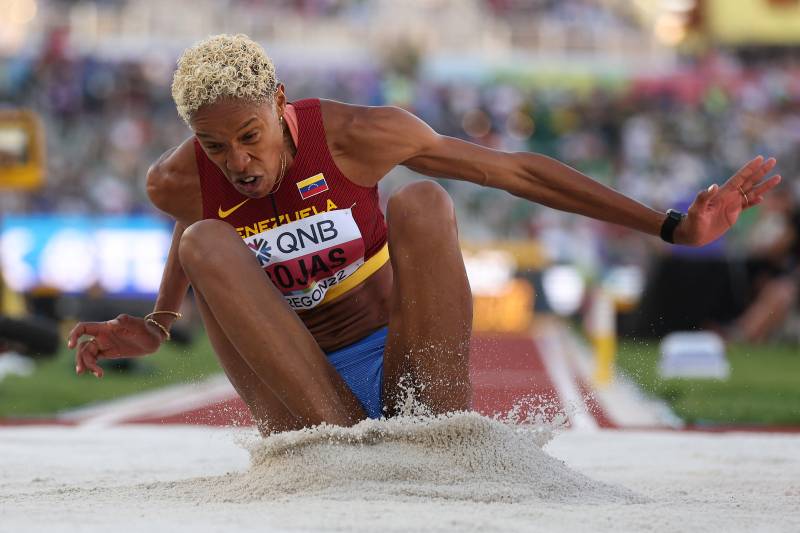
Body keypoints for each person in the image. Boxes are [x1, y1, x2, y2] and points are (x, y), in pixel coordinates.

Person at [67, 34, 782, 435]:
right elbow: (190, 241)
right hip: (298, 390)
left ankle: (441, 431)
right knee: (200, 240)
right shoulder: (176, 180)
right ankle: (333, 447)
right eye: (216, 148)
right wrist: (159, 324)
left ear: (281, 106)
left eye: (249, 137)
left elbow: (515, 174)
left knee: (425, 201)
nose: (239, 164)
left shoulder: (358, 134)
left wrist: (669, 225)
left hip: (405, 363)